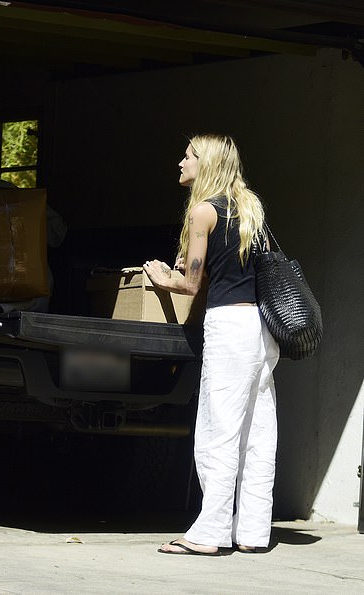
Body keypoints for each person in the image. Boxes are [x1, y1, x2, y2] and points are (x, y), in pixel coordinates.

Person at [143, 134, 279, 556]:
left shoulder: (203, 211)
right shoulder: (249, 207)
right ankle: (253, 533)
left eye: (189, 155)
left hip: (228, 327)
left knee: (217, 431)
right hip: (260, 327)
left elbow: (191, 283)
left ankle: (210, 534)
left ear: (207, 163)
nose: (181, 161)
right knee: (258, 432)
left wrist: (164, 277)